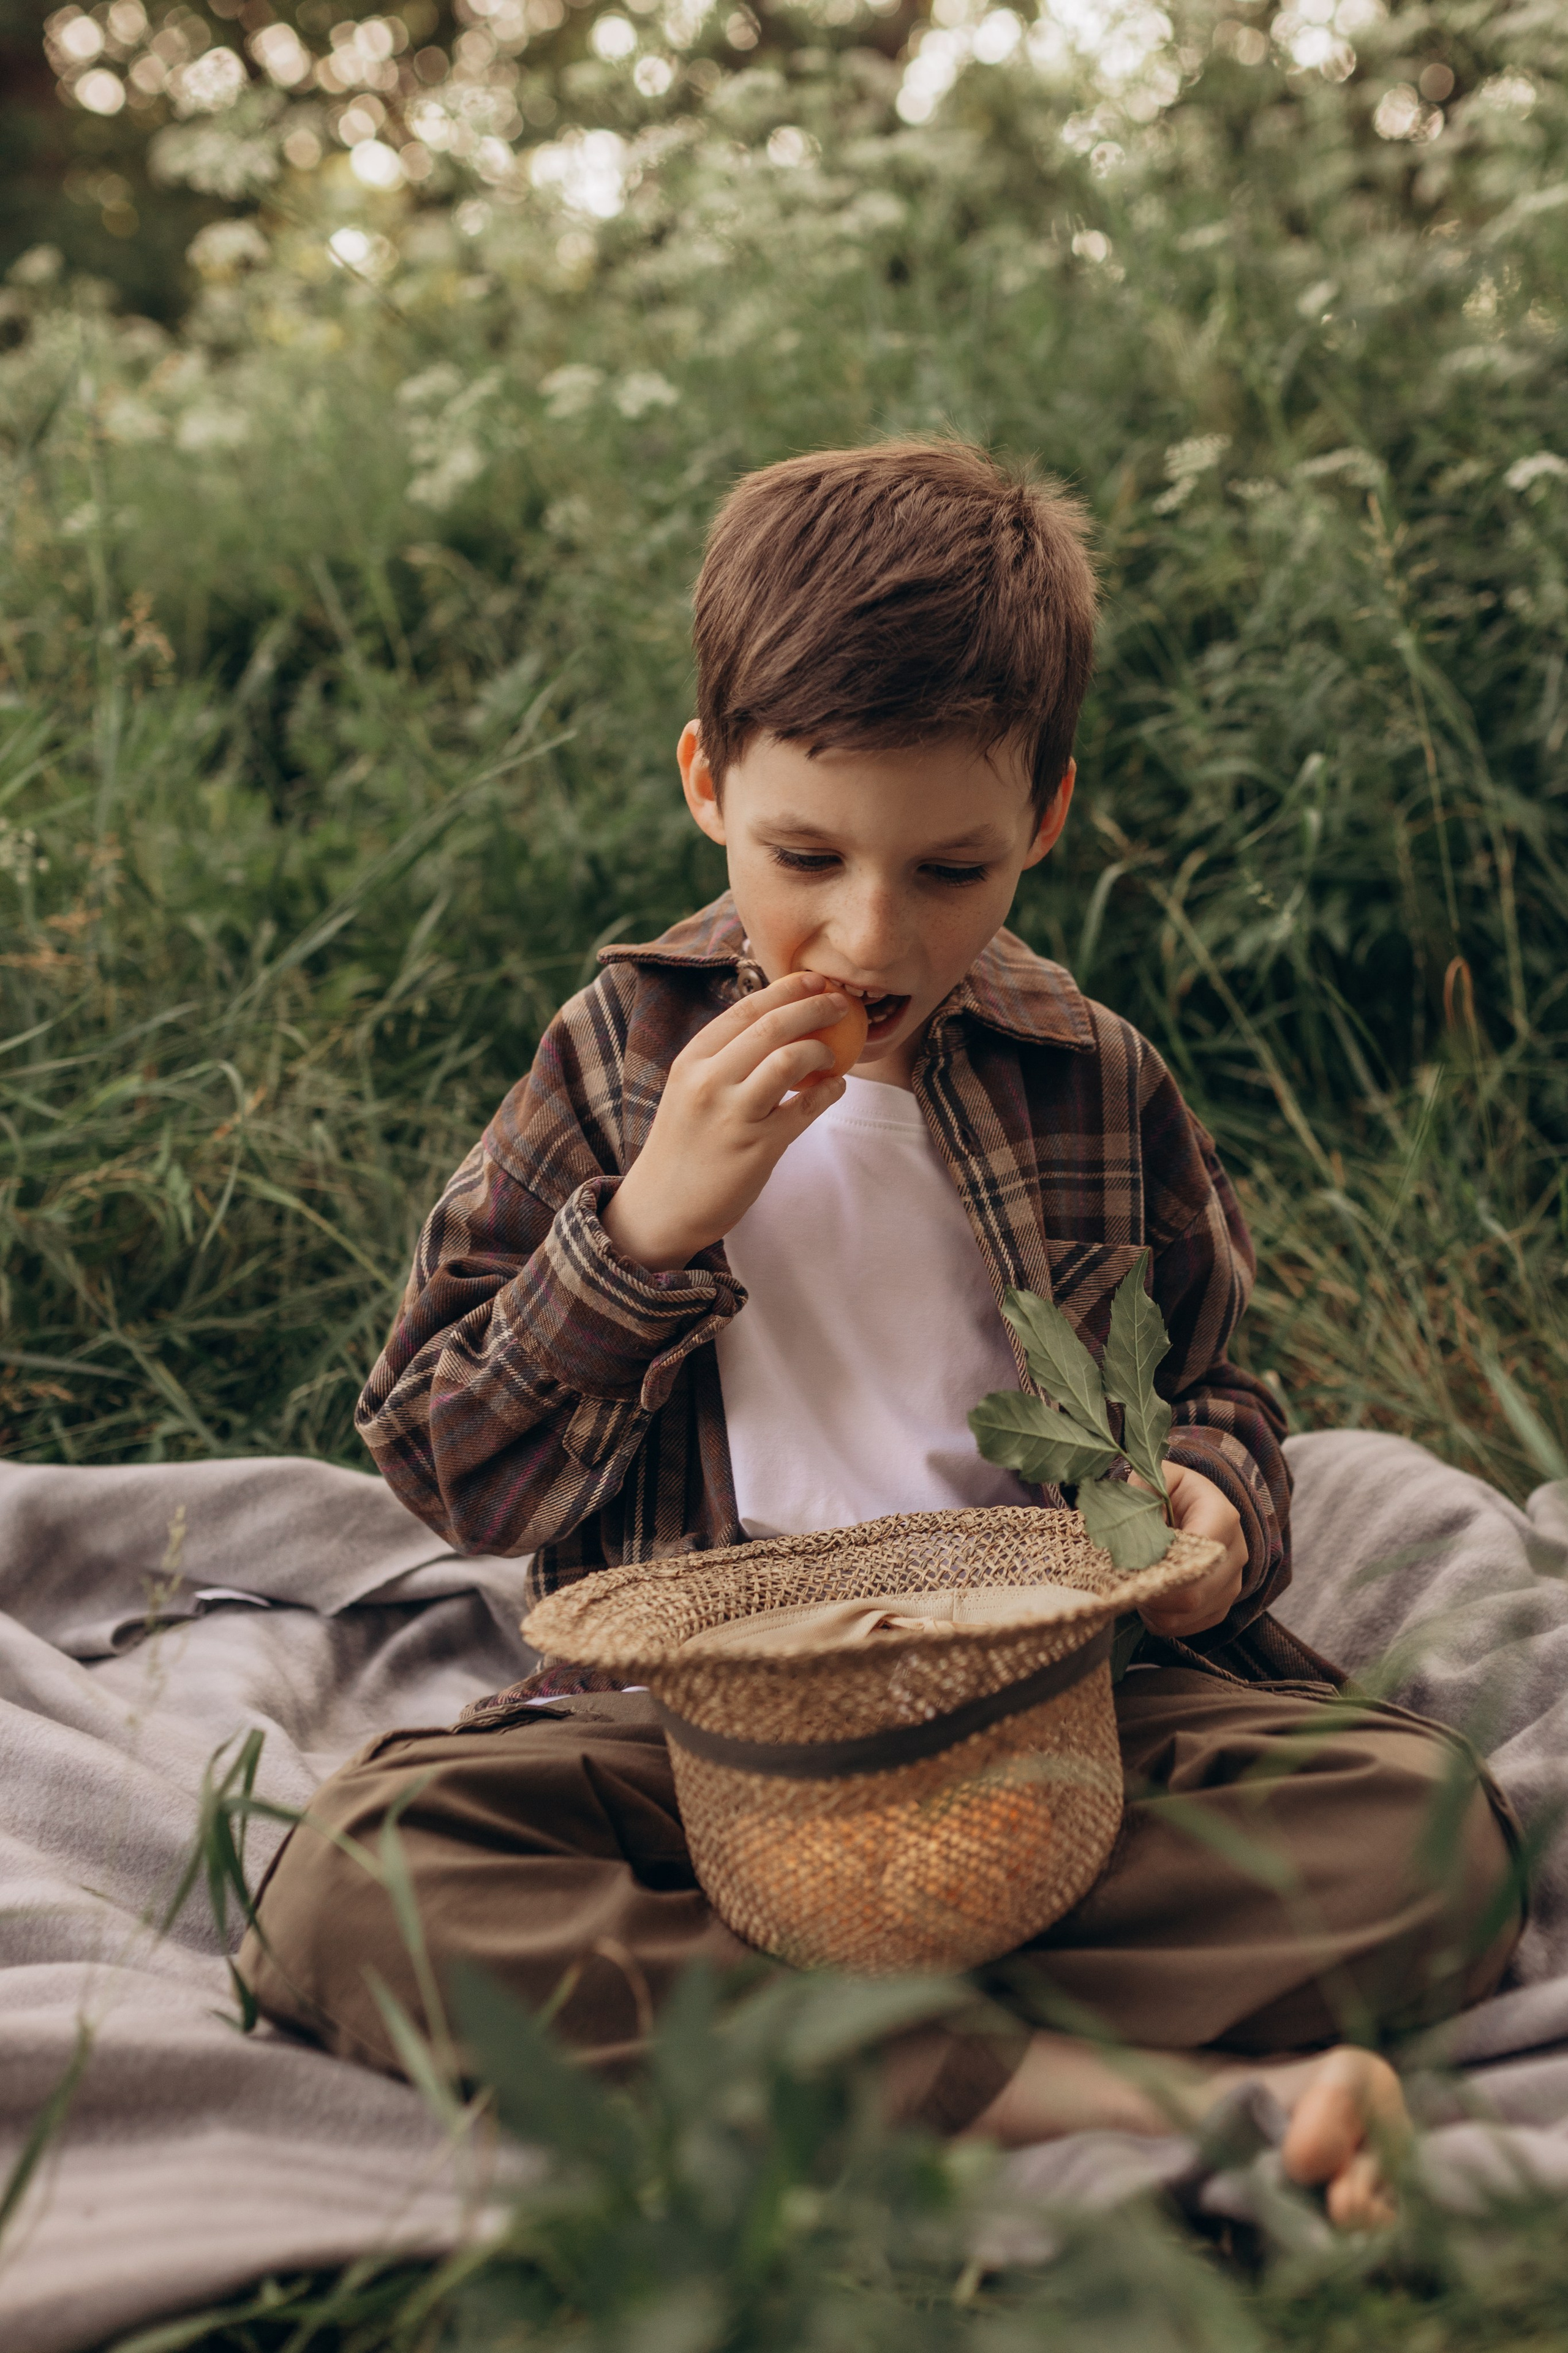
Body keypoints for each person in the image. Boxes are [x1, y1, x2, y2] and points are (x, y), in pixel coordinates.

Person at [239, 441, 1522, 2226]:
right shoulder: (620, 1061)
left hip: (1055, 1714)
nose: (866, 931)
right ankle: (1139, 2086)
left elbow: (1221, 1388)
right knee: (354, 1885)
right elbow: (444, 1463)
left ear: (1046, 821)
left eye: (951, 869)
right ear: (708, 782)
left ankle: (791, 2050)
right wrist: (648, 1224)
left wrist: (1216, 1518)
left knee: (1425, 1836)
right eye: (807, 855)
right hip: (702, 1731)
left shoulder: (1091, 1074)